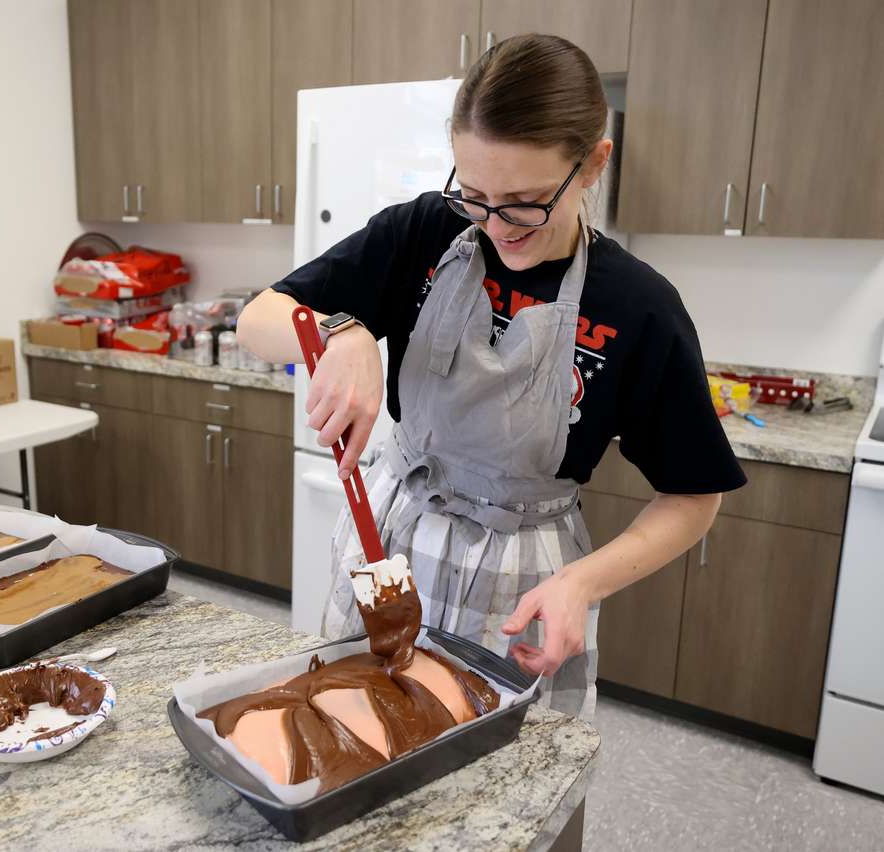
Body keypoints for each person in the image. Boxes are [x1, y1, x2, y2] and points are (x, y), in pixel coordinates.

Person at [236, 34, 746, 719]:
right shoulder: (422, 231)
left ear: (594, 164)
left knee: (494, 772)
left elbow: (694, 497)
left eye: (525, 201)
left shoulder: (639, 307)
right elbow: (259, 318)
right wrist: (340, 330)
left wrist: (582, 585)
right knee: (355, 729)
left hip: (523, 580)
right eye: (474, 194)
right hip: (390, 537)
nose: (496, 224)